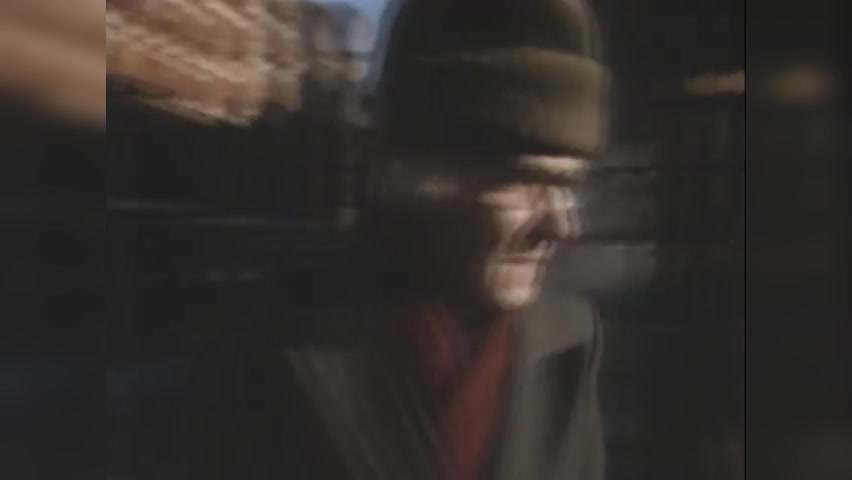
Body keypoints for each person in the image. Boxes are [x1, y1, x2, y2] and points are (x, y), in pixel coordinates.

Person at [108, 0, 608, 479]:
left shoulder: (569, 344)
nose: (563, 226)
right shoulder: (260, 356)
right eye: (524, 179)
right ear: (419, 179)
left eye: (570, 185)